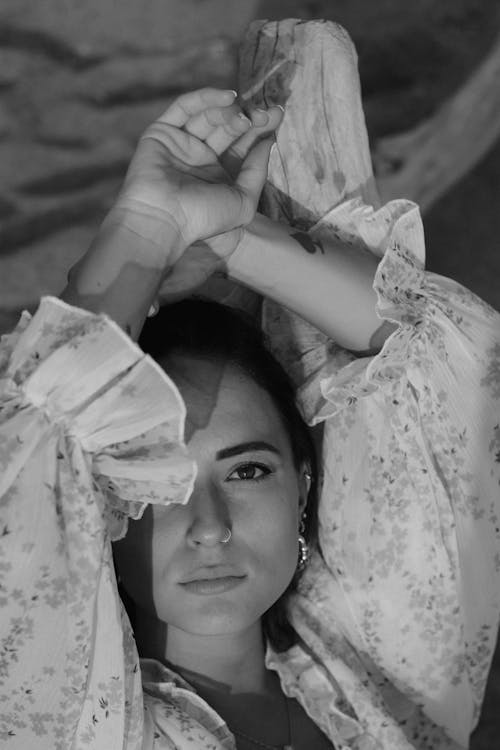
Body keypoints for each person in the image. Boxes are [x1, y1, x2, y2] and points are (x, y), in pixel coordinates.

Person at [0, 83, 499, 750]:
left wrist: (228, 235)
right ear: (97, 517)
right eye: (157, 488)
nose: (209, 527)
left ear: (303, 486)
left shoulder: (374, 677)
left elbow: (445, 361)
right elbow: (31, 447)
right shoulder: (64, 718)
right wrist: (149, 226)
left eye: (248, 470)